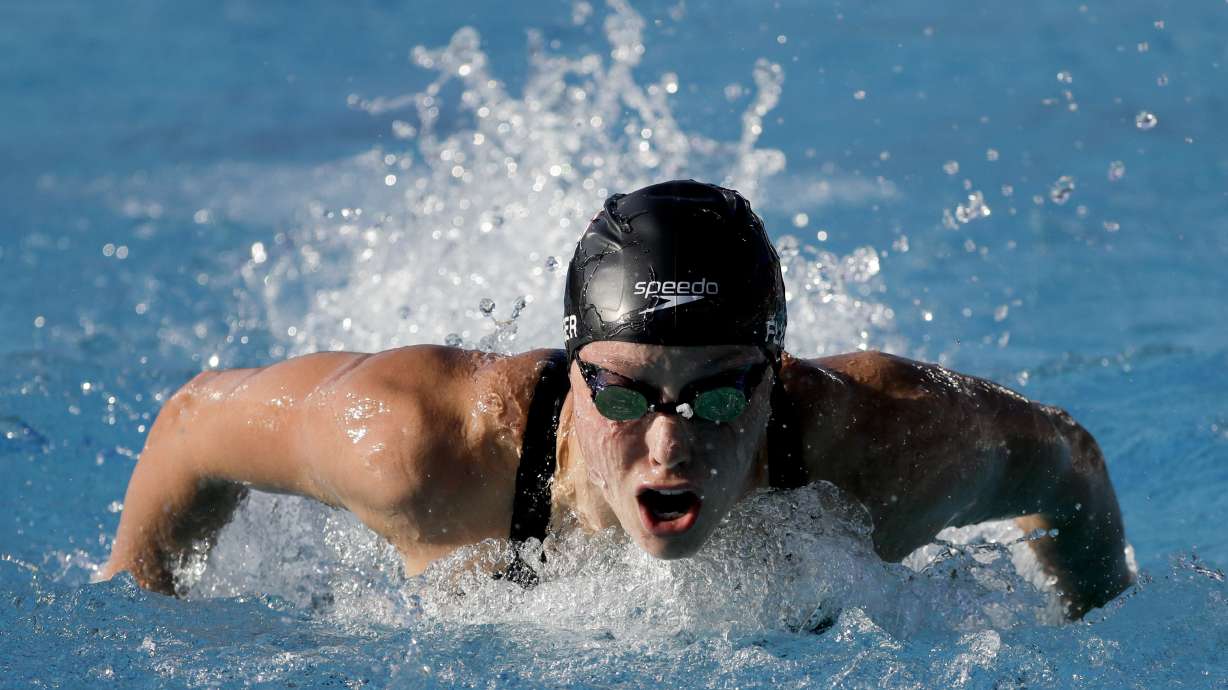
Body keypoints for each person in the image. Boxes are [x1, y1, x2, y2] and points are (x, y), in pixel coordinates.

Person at [100, 180, 1133, 619]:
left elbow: (1070, 462)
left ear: (775, 384)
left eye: (718, 399)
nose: (669, 441)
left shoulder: (889, 446)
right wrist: (141, 602)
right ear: (575, 374)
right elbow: (194, 423)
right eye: (626, 394)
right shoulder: (419, 446)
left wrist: (1094, 628)